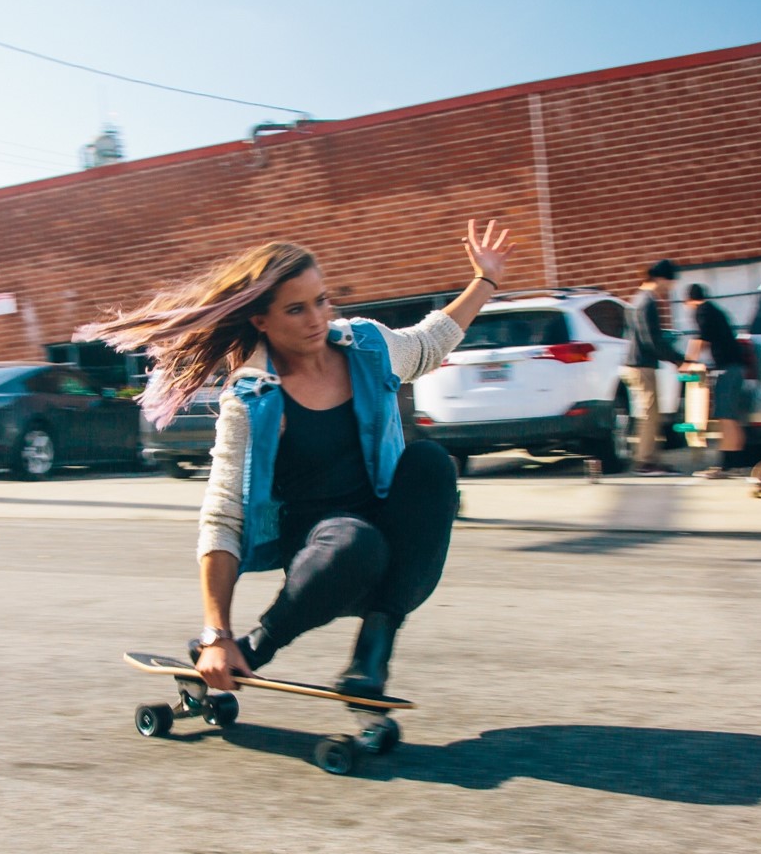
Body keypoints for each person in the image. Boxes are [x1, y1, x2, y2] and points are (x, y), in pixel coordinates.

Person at [78, 220, 514, 698]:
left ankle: (373, 650)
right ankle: (252, 648)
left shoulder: (367, 347)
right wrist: (216, 635)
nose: (316, 319)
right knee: (354, 540)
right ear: (261, 320)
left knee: (430, 463)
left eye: (321, 301)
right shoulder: (252, 400)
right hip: (324, 557)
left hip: (397, 554)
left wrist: (485, 279)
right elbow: (223, 516)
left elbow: (430, 343)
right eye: (296, 309)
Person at [623, 258, 686, 476]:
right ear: (660, 279)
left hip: (638, 363)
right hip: (642, 365)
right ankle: (645, 462)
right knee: (650, 414)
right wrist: (678, 360)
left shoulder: (637, 299)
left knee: (651, 413)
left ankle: (651, 459)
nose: (670, 288)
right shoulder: (647, 301)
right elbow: (652, 339)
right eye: (670, 282)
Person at [682, 283, 749, 478]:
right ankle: (736, 463)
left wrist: (688, 362)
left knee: (725, 417)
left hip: (728, 369)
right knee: (732, 418)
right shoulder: (715, 311)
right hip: (736, 367)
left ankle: (726, 466)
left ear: (689, 301)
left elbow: (701, 339)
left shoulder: (702, 311)